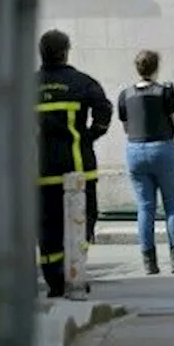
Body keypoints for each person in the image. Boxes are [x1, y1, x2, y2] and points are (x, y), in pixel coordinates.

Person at [35, 29, 113, 298]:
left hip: (41, 170)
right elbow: (104, 108)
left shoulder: (28, 85)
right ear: (66, 51)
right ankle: (75, 275)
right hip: (78, 167)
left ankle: (54, 282)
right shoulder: (82, 83)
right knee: (81, 220)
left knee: (47, 226)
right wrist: (90, 136)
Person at [117, 50, 174, 276]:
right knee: (173, 206)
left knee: (145, 207)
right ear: (156, 68)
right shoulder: (165, 92)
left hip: (135, 151)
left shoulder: (125, 94)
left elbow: (127, 126)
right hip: (163, 149)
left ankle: (149, 262)